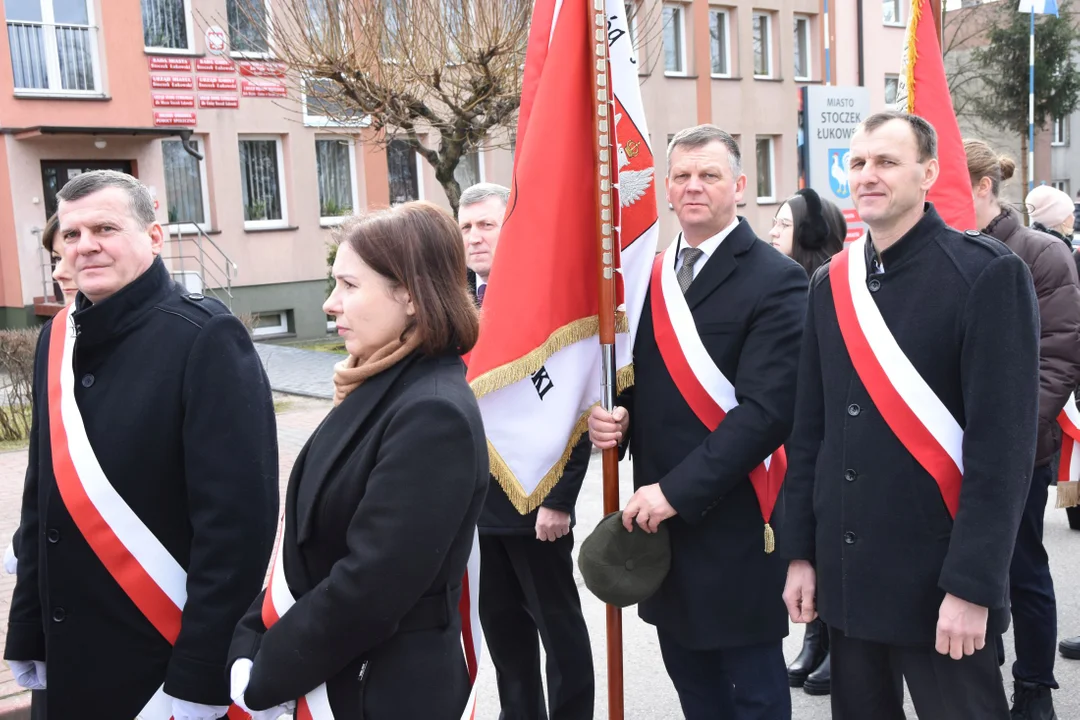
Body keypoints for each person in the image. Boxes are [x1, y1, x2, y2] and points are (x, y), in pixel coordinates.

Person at [781, 111, 1040, 720]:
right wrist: (800, 554)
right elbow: (810, 432)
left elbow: (1002, 453)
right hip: (850, 577)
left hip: (941, 585)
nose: (868, 176)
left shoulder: (987, 274)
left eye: (887, 162)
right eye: (859, 164)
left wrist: (973, 587)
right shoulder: (831, 283)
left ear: (928, 173)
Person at [3, 170, 280, 719]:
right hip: (69, 654)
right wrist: (28, 630)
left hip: (158, 656)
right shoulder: (58, 339)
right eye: (72, 235)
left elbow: (236, 529)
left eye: (105, 228)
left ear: (154, 237)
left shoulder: (204, 337)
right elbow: (43, 500)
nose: (86, 247)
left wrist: (201, 675)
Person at [229, 201, 488, 719]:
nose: (330, 303)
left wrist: (267, 671)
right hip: (349, 672)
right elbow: (306, 551)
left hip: (381, 689)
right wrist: (249, 636)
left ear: (410, 296)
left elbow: (372, 584)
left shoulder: (431, 411)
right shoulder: (377, 384)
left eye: (349, 286)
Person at [588, 124, 808, 719]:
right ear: (664, 188)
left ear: (739, 185)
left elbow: (766, 414)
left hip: (733, 523)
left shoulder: (777, 280)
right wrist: (614, 421)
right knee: (696, 694)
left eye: (709, 175)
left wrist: (674, 494)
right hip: (662, 531)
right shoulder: (649, 277)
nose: (693, 188)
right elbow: (642, 383)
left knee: (753, 698)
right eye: (681, 176)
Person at [459, 182, 594, 720]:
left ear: (510, 229)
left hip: (537, 504)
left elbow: (577, 410)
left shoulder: (547, 302)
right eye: (466, 227)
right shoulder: (457, 304)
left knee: (558, 634)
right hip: (477, 506)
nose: (474, 237)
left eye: (486, 225)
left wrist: (560, 499)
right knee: (505, 639)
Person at [965, 138, 1080, 719]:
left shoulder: (1039, 254)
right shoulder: (943, 251)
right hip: (944, 450)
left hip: (1019, 450)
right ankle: (975, 674)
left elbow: (1057, 358)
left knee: (1021, 565)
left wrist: (1008, 437)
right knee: (962, 569)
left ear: (983, 187)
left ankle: (1034, 685)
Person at [769, 188, 847, 696]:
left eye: (782, 224)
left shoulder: (827, 285)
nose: (773, 231)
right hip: (793, 432)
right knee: (806, 539)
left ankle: (836, 642)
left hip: (827, 433)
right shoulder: (778, 283)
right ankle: (817, 637)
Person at [769, 188, 846, 278]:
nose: (772, 232)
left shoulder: (833, 287)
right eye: (775, 223)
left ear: (813, 235)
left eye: (785, 224)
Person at [1026, 184, 1075, 249]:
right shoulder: (1055, 248)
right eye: (1070, 213)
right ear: (1060, 219)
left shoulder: (1033, 242)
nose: (1073, 217)